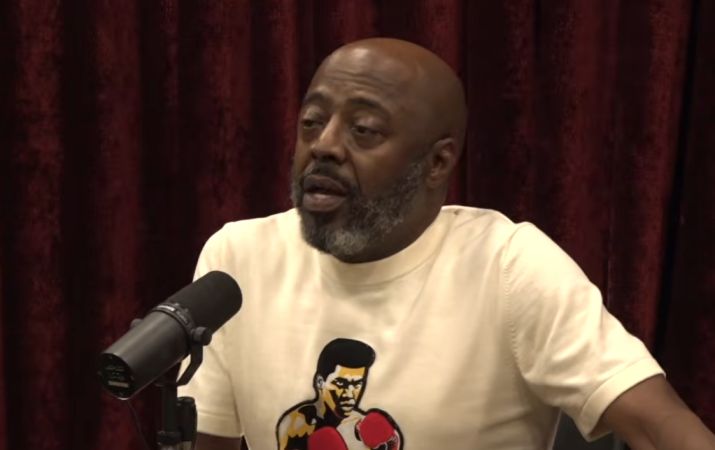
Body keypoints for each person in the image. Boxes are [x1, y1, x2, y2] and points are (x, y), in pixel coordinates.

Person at [179, 38, 715, 450]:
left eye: (363, 130)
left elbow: (659, 427)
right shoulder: (239, 260)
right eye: (311, 123)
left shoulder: (508, 266)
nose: (324, 146)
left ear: (437, 163)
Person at [276, 338, 402, 450]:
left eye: (357, 384)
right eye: (341, 384)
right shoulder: (297, 425)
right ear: (320, 382)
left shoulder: (363, 427)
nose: (349, 394)